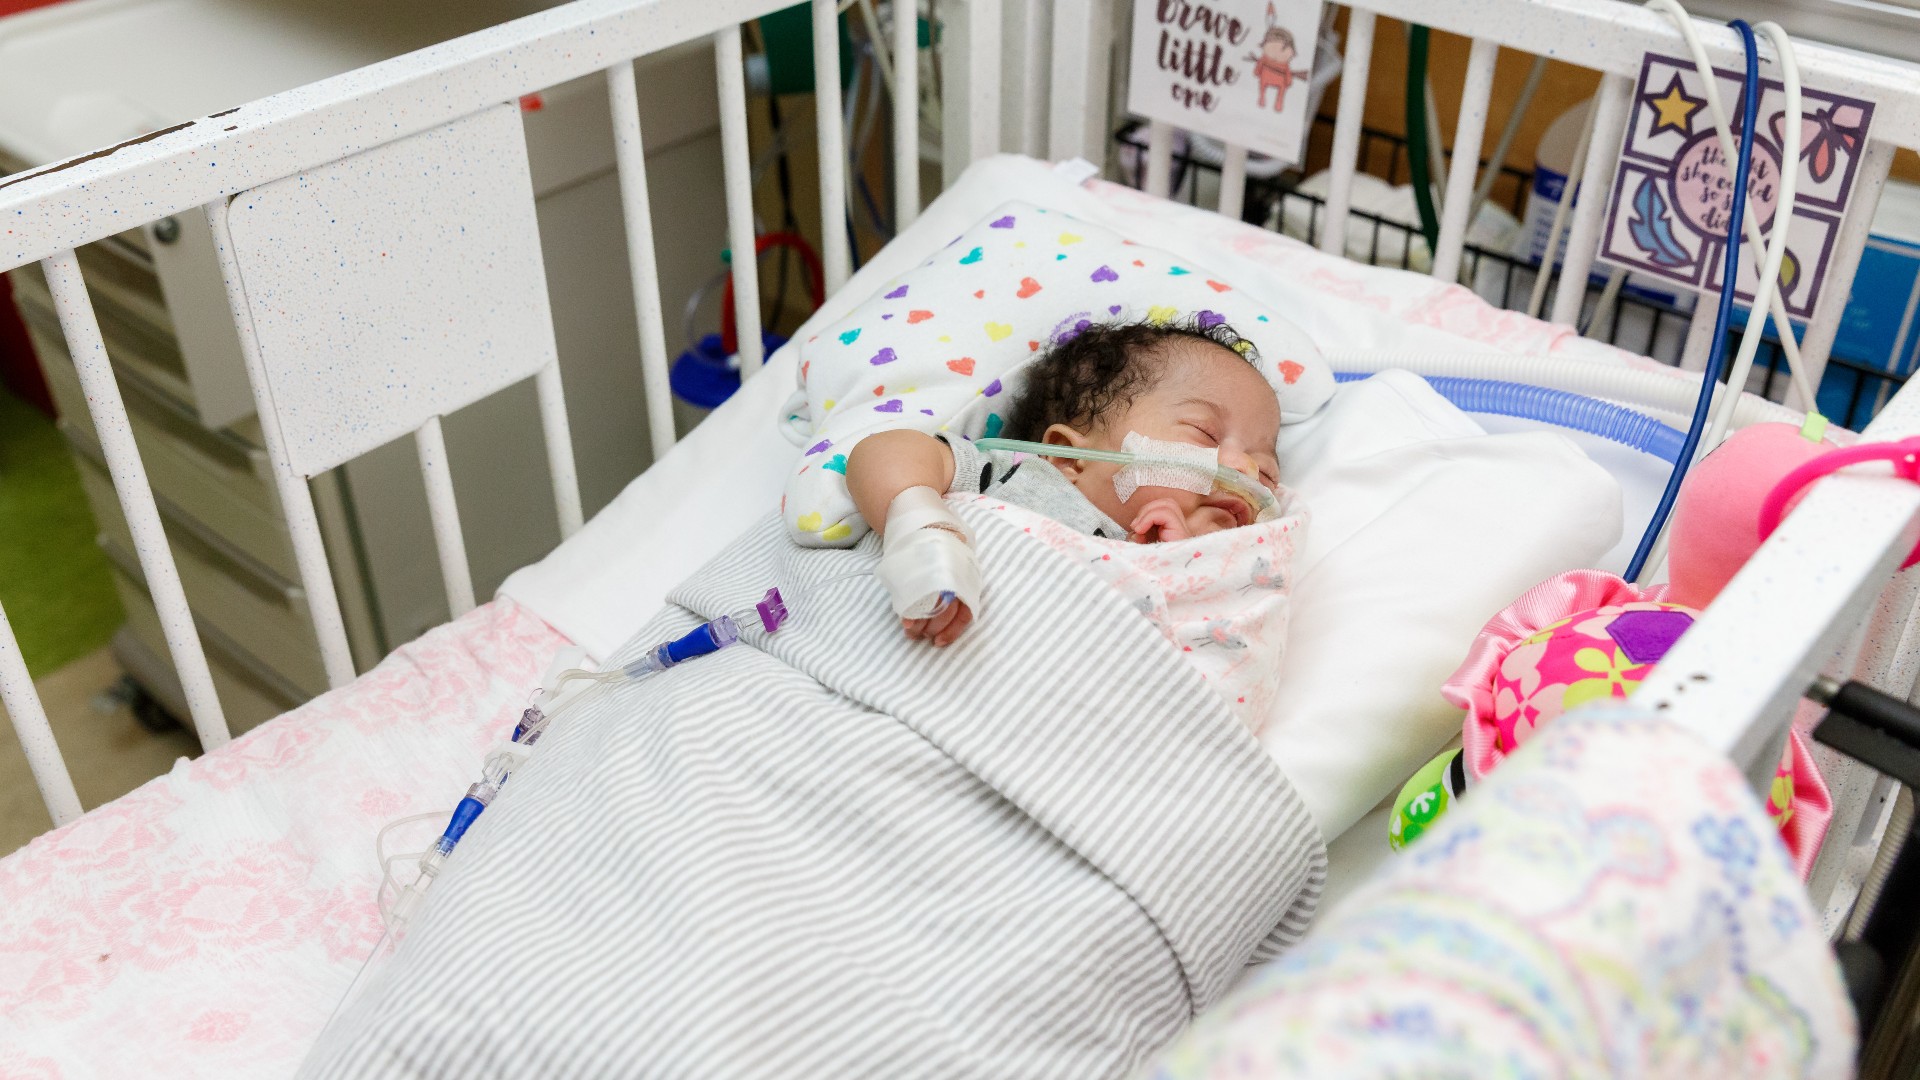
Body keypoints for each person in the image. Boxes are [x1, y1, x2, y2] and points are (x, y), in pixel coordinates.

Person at [846, 318, 1282, 645]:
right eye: (1204, 433)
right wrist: (921, 525)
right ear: (1065, 456)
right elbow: (882, 452)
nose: (1246, 471)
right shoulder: (1021, 478)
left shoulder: (1226, 568)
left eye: (1266, 470)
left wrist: (1171, 565)